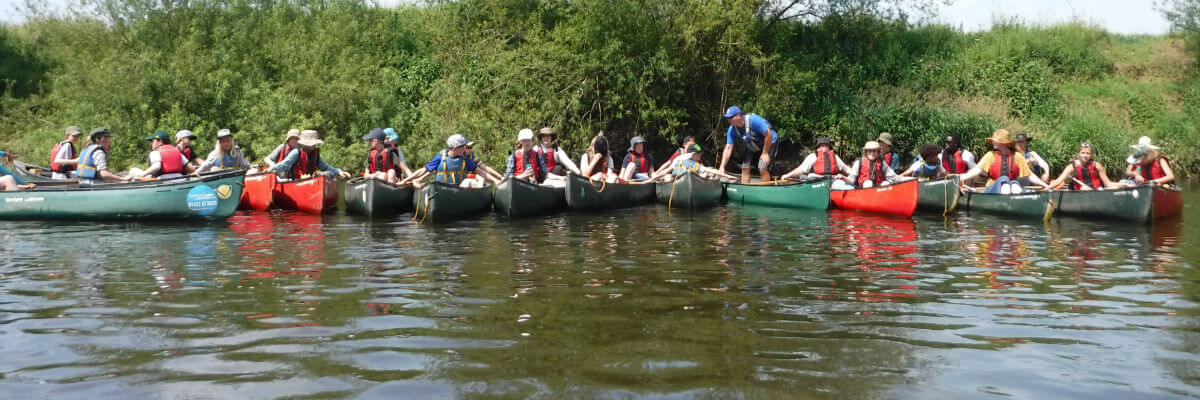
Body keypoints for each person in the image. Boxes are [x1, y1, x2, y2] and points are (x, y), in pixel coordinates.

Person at [955, 129, 1051, 194]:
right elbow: (976, 170)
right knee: (1004, 180)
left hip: (1010, 185)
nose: (992, 142)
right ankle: (1006, 206)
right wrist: (960, 177)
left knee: (1014, 185)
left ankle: (1014, 208)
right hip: (992, 187)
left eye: (994, 140)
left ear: (1001, 142)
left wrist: (1044, 185)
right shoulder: (990, 155)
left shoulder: (1017, 156)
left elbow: (1029, 175)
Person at [400, 134, 487, 188]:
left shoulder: (466, 159)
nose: (465, 149)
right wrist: (404, 181)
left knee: (469, 182)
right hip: (441, 188)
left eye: (466, 147)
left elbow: (480, 172)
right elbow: (423, 170)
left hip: (459, 189)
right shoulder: (440, 158)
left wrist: (494, 180)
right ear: (454, 148)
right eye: (462, 146)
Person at [719, 106, 777, 183]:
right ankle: (745, 190)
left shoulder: (753, 120)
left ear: (738, 116)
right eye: (727, 118)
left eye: (730, 117)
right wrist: (722, 166)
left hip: (769, 141)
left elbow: (769, 135)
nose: (728, 120)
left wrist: (765, 153)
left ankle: (765, 190)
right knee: (745, 168)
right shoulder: (732, 130)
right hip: (752, 145)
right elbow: (728, 148)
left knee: (762, 166)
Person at [269, 129, 351, 180]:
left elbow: (325, 166)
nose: (315, 145)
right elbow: (285, 164)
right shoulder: (296, 152)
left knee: (328, 173)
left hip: (310, 180)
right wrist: (272, 169)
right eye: (313, 143)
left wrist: (339, 171)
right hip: (296, 181)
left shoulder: (314, 153)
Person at [1047, 142, 1118, 191]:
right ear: (1078, 154)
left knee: (1114, 187)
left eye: (1088, 153)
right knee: (1084, 189)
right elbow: (1059, 180)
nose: (1085, 155)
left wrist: (1119, 185)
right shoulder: (1072, 166)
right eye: (1083, 153)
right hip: (1080, 192)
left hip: (1096, 191)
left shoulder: (1097, 165)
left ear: (1091, 155)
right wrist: (1047, 188)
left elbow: (1108, 183)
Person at [647, 143, 736, 182]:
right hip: (677, 180)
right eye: (698, 155)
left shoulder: (696, 164)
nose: (700, 157)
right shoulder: (679, 160)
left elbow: (712, 171)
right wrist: (651, 179)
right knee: (667, 177)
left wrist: (727, 175)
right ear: (692, 154)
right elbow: (666, 170)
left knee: (705, 174)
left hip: (691, 180)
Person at [129, 130, 194, 180]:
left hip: (162, 179)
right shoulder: (177, 151)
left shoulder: (155, 152)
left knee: (133, 170)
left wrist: (143, 174)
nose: (151, 144)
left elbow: (156, 167)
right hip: (179, 178)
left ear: (160, 142)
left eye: (153, 141)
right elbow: (191, 168)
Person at [781, 136, 850, 180]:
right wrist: (787, 175)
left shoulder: (835, 157)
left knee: (841, 180)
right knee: (809, 177)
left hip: (832, 179)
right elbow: (801, 169)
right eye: (822, 146)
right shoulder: (813, 157)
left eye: (826, 146)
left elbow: (845, 168)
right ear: (817, 149)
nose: (825, 148)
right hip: (816, 180)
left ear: (829, 148)